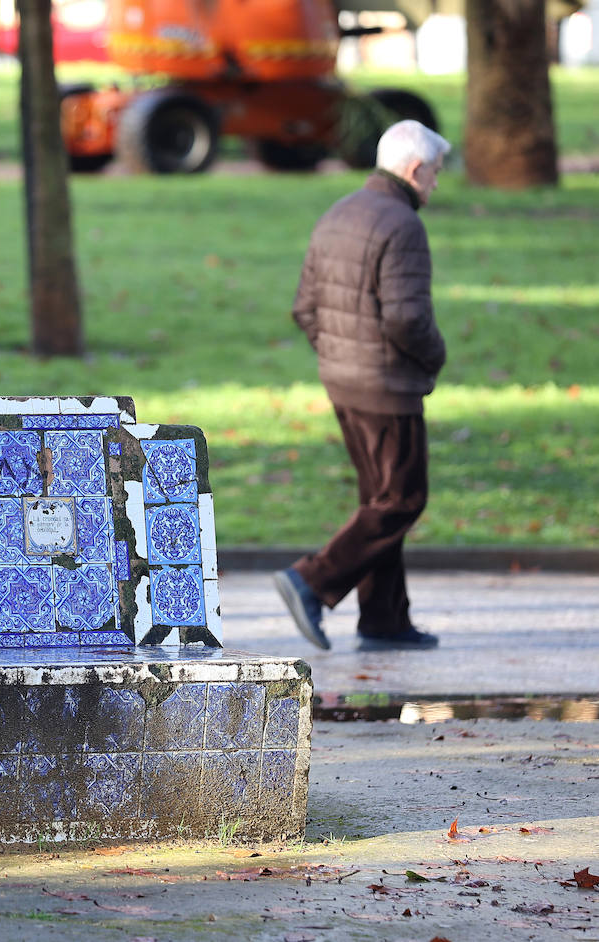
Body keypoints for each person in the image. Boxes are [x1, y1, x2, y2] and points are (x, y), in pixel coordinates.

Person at [273, 120, 451, 651]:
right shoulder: (402, 224)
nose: (436, 186)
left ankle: (384, 619)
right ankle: (312, 581)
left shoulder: (338, 213)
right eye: (436, 175)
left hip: (342, 380)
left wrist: (335, 356)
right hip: (386, 386)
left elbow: (305, 307)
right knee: (401, 499)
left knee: (380, 498)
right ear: (415, 170)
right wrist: (436, 356)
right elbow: (406, 320)